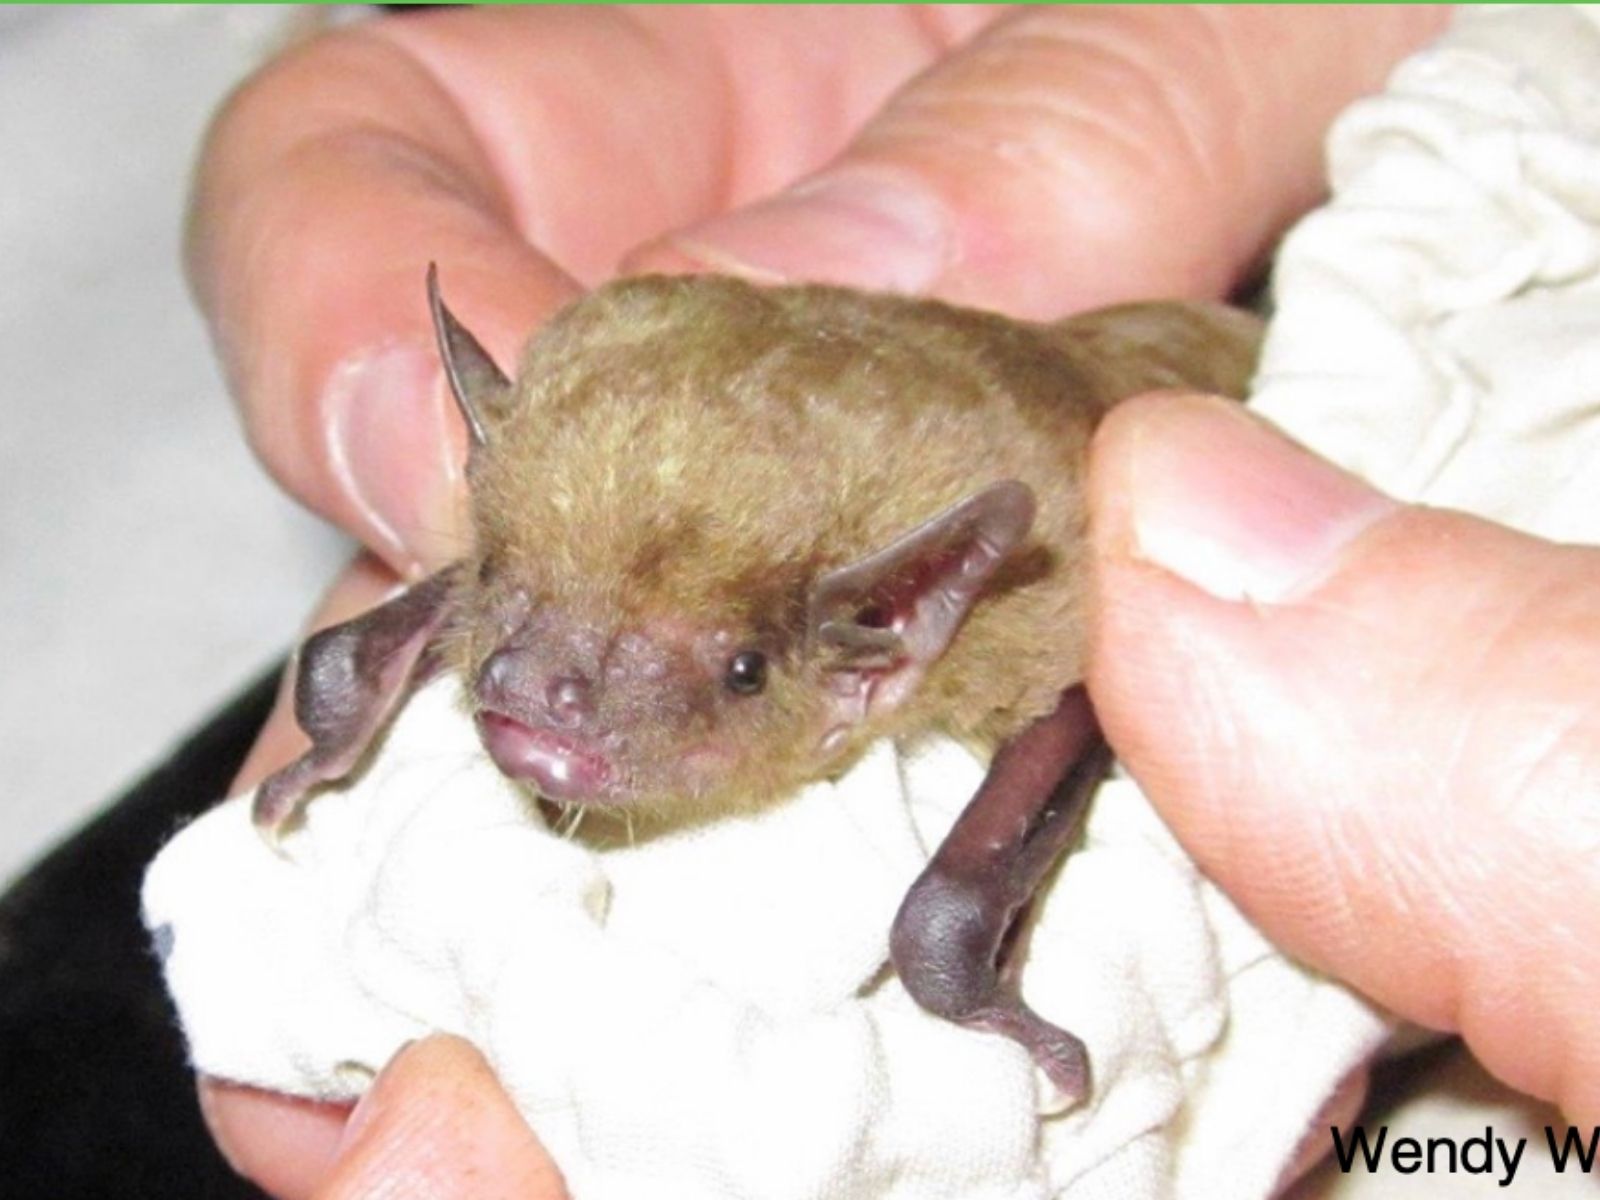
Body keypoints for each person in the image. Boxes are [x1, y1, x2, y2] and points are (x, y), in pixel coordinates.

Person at [185, 8, 1600, 1198]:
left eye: (727, 671)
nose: (543, 700)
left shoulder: (1025, 583)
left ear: (883, 646)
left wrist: (954, 953)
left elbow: (1080, 686)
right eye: (515, 609)